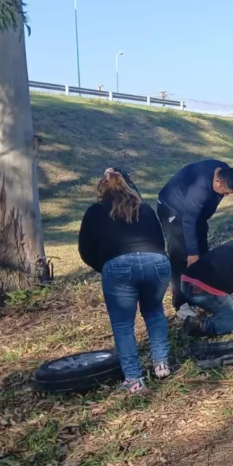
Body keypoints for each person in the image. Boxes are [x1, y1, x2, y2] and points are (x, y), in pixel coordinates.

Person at [78, 168, 172, 393]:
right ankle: (161, 364)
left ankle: (134, 379)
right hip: (157, 262)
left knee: (123, 326)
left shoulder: (95, 211)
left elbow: (85, 249)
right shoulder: (145, 208)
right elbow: (160, 241)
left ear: (102, 190)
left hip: (119, 265)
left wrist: (104, 267)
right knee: (154, 312)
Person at [156, 160, 233, 312]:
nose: (226, 196)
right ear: (217, 182)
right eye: (225, 193)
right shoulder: (200, 188)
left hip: (195, 214)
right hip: (173, 209)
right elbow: (188, 220)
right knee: (182, 254)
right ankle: (181, 304)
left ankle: (202, 294)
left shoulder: (229, 176)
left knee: (203, 253)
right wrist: (192, 253)